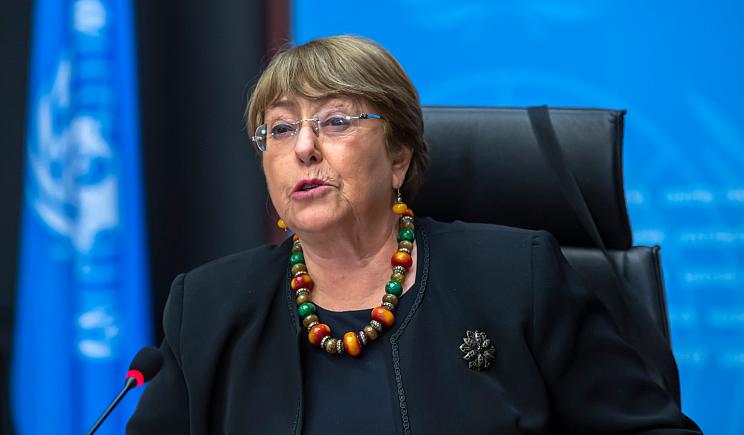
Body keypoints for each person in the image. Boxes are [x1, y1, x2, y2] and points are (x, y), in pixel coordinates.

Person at [127, 35, 701, 434]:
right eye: (279, 128)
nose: (303, 147)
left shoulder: (515, 277)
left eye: (335, 121)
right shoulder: (208, 307)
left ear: (398, 158)